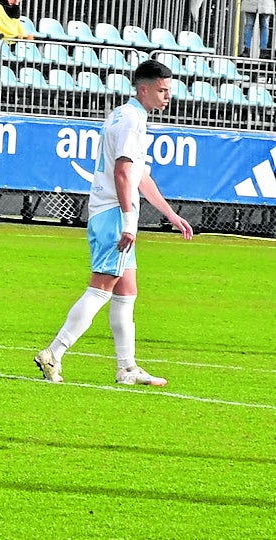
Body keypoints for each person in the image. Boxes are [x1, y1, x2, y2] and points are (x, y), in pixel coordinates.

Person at [33, 60, 194, 386]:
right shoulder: (130, 121)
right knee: (101, 289)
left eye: (169, 91)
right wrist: (129, 221)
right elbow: (122, 172)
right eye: (162, 90)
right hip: (113, 214)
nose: (167, 97)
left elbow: (139, 176)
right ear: (144, 89)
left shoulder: (127, 116)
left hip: (111, 212)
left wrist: (171, 215)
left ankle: (127, 367)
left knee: (126, 292)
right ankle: (54, 352)